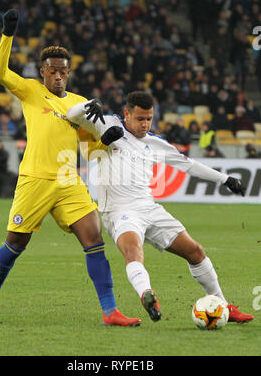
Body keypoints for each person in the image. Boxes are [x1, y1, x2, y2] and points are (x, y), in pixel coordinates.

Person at [0, 9, 141, 327]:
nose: (58, 76)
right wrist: (7, 35)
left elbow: (91, 149)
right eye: (52, 71)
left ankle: (110, 312)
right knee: (13, 246)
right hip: (35, 179)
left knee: (94, 240)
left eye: (63, 72)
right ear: (42, 73)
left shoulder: (80, 105)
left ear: (68, 73)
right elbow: (0, 74)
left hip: (69, 181)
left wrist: (107, 137)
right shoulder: (30, 91)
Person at [66, 90, 254, 324]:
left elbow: (189, 165)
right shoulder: (108, 125)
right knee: (133, 251)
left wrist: (224, 179)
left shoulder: (155, 143)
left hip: (149, 208)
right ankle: (147, 294)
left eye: (149, 119)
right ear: (127, 113)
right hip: (119, 210)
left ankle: (223, 304)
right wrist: (89, 105)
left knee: (195, 252)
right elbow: (71, 114)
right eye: (140, 119)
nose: (145, 125)